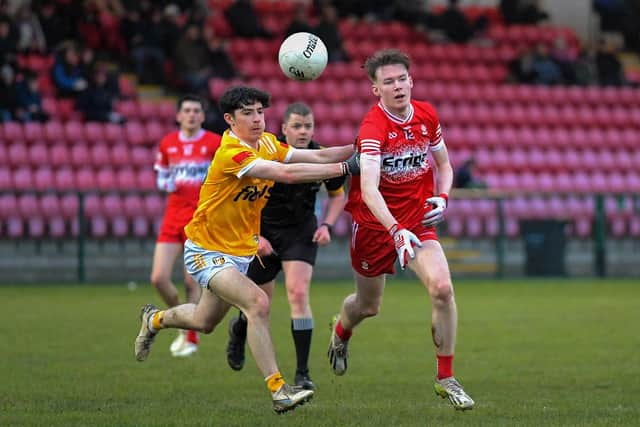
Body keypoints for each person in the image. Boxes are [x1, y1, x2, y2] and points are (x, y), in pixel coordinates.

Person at [134, 86, 359, 413]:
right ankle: (279, 390)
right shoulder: (231, 153)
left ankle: (154, 320)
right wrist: (346, 168)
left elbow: (317, 154)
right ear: (229, 119)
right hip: (206, 251)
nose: (257, 119)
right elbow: (285, 173)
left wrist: (359, 148)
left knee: (203, 321)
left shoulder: (267, 141)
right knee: (258, 302)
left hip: (238, 253)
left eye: (260, 112)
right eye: (247, 113)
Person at [326, 49, 475, 411]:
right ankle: (341, 332)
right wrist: (393, 229)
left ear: (412, 80)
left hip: (417, 221)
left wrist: (442, 196)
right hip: (376, 226)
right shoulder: (373, 128)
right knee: (368, 306)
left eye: (401, 79)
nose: (397, 86)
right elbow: (371, 188)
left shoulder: (427, 114)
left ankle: (446, 378)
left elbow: (445, 163)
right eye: (388, 82)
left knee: (442, 289)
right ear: (376, 90)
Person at [225, 102, 347, 390]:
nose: (303, 131)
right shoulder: (266, 152)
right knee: (259, 304)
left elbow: (338, 196)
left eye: (308, 126)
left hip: (301, 233)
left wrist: (327, 225)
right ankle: (239, 328)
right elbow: (242, 199)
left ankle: (302, 374)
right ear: (283, 129)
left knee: (298, 293)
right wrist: (255, 237)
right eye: (296, 126)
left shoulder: (319, 157)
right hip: (263, 232)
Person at [150, 94, 221, 358]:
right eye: (187, 110)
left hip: (200, 219)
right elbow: (163, 173)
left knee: (192, 281)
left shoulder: (214, 142)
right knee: (158, 278)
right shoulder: (168, 143)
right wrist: (165, 182)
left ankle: (190, 335)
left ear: (202, 116)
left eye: (196, 110)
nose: (191, 115)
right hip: (173, 217)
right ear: (179, 115)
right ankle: (182, 317)